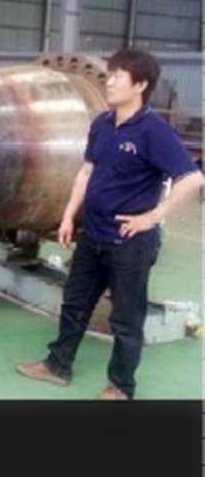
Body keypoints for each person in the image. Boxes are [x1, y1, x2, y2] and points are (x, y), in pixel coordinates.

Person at [16, 49, 203, 400]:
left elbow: (192, 178)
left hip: (130, 243)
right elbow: (86, 172)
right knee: (74, 305)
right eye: (111, 74)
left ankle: (120, 387)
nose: (110, 81)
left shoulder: (154, 132)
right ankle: (57, 366)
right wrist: (68, 216)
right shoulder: (102, 124)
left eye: (118, 76)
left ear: (140, 85)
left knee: (126, 320)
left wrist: (152, 217)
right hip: (93, 235)